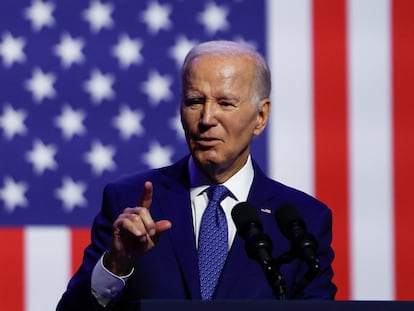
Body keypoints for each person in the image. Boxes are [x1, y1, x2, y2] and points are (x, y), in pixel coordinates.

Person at [57, 40, 336, 310]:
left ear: (260, 117)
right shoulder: (128, 201)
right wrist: (117, 264)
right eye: (194, 102)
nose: (206, 119)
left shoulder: (303, 221)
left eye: (225, 103)